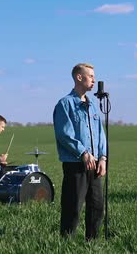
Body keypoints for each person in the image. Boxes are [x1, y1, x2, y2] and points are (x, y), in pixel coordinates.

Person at [53, 63, 107, 240]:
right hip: (75, 164)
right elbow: (64, 134)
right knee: (73, 207)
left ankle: (92, 242)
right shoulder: (65, 104)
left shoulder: (92, 106)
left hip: (95, 165)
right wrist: (83, 153)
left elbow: (100, 134)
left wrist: (102, 157)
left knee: (97, 206)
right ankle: (66, 243)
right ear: (79, 77)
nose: (93, 79)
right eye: (90, 76)